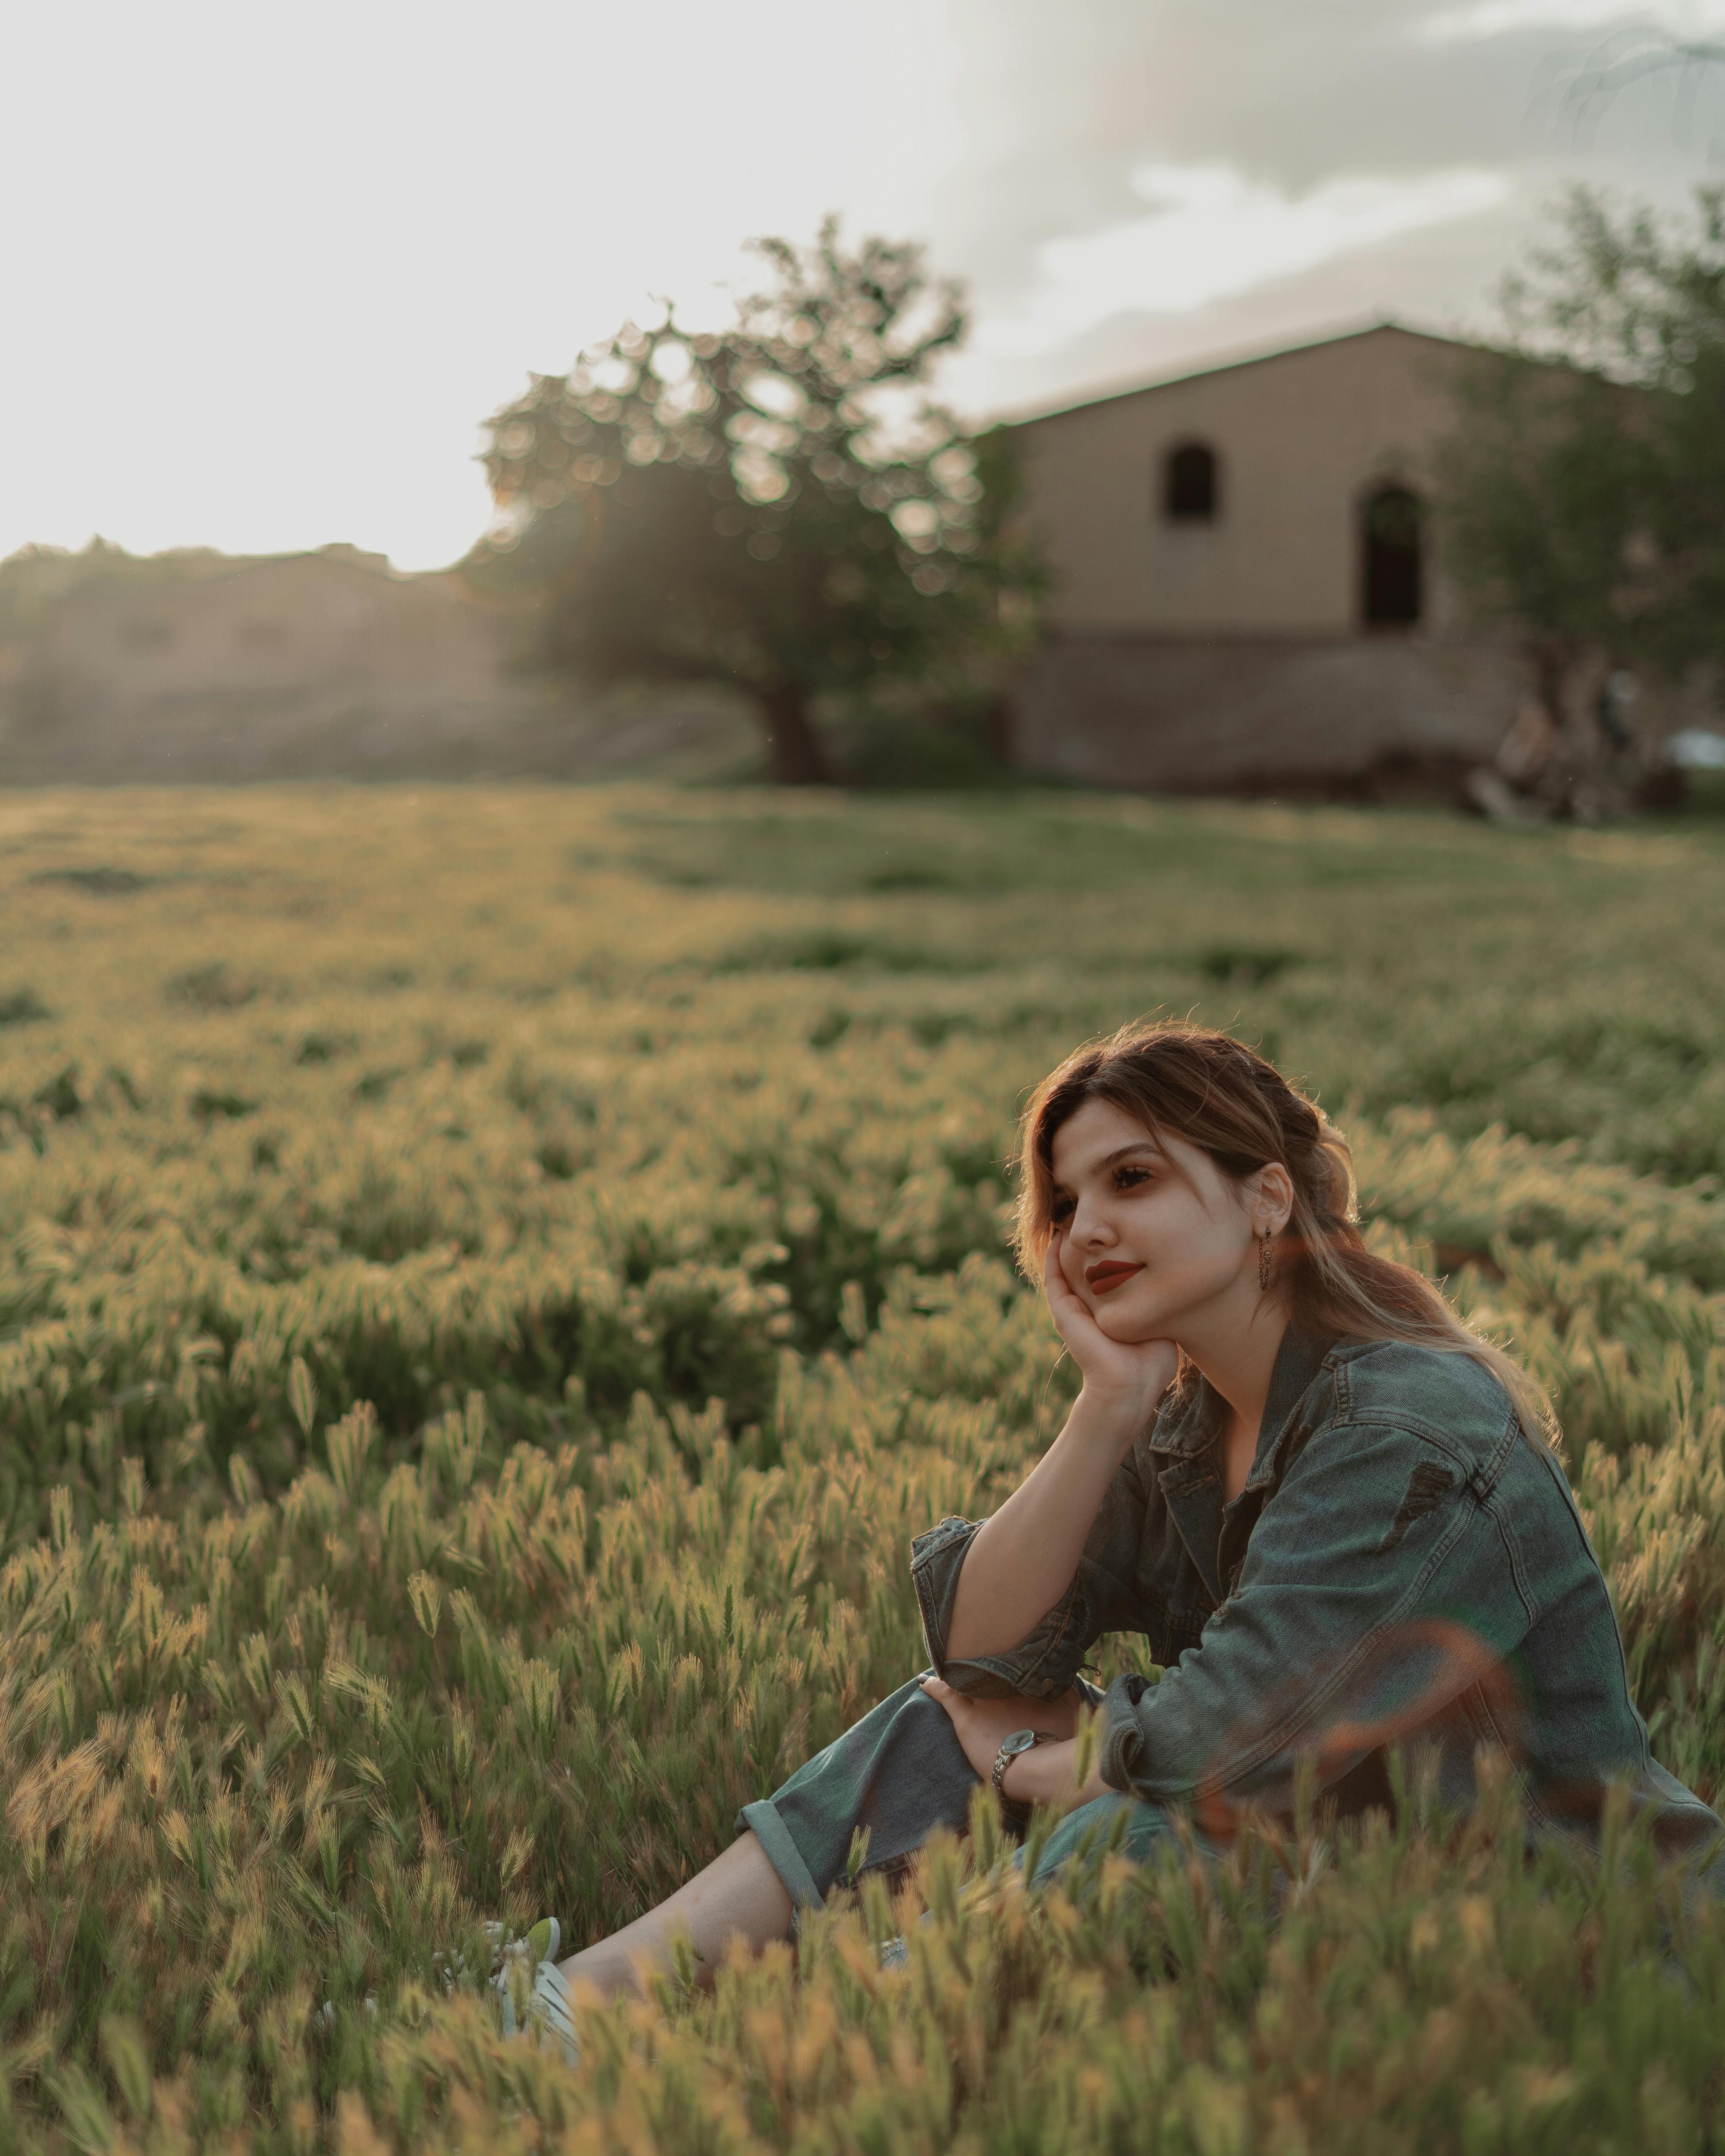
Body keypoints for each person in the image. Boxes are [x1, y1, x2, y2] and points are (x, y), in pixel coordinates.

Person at [497, 1022, 1723, 2056]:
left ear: (1266, 1197)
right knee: (944, 1721)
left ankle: (792, 2053)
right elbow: (986, 1651)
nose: (1086, 1229)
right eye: (1065, 1202)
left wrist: (1041, 1764)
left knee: (1138, 1830)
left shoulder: (1406, 1427)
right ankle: (562, 2012)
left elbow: (1216, 1747)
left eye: (1132, 1181)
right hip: (1323, 1880)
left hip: (1554, 1931)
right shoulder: (1191, 1423)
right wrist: (1105, 1410)